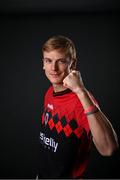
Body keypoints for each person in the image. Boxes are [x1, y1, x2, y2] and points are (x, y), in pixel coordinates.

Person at [36, 35, 119, 179]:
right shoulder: (49, 92)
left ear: (72, 64)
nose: (53, 68)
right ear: (43, 63)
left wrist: (81, 91)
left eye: (61, 61)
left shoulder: (82, 100)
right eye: (48, 61)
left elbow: (108, 149)